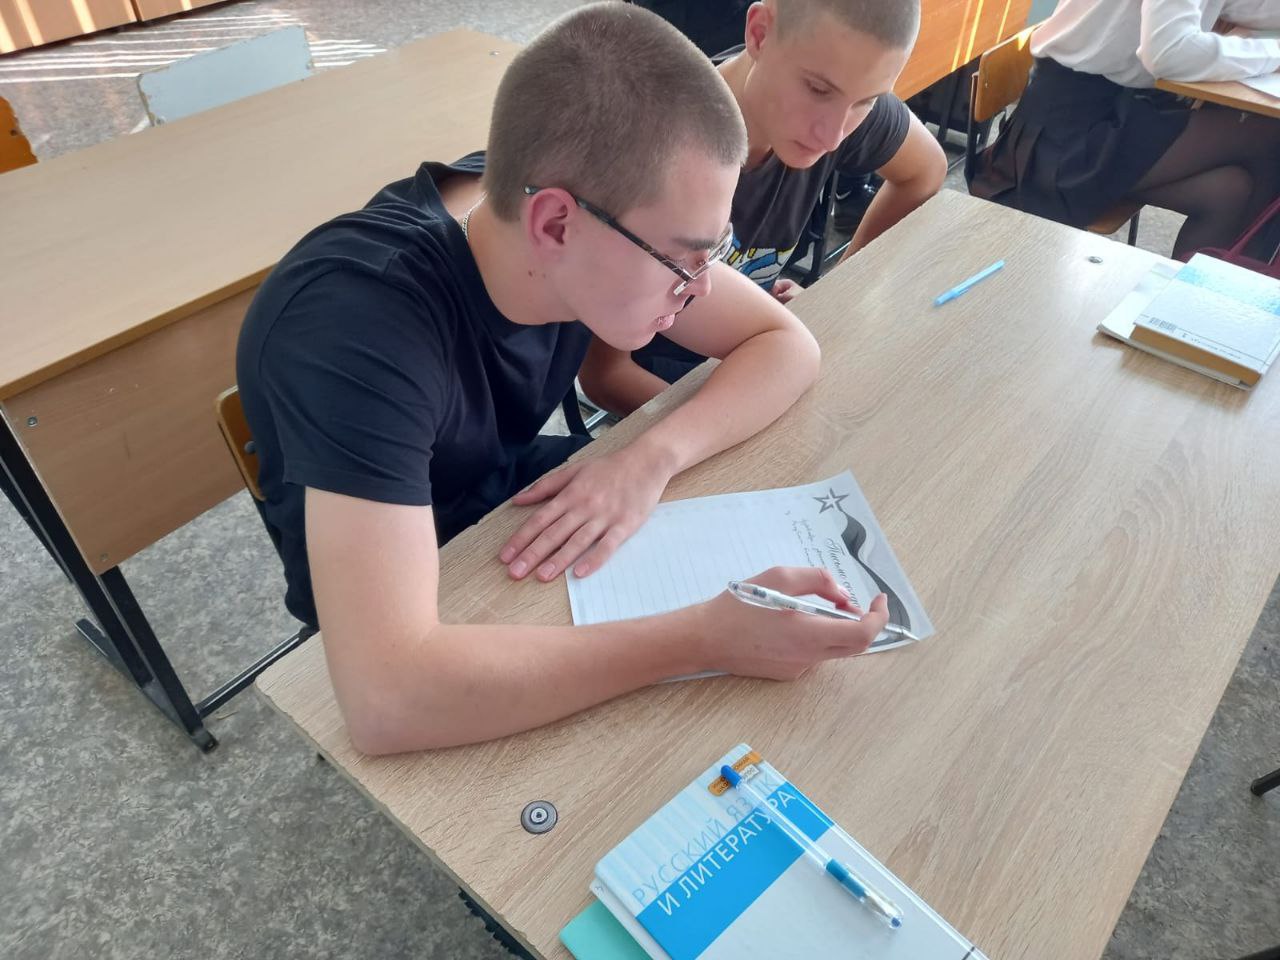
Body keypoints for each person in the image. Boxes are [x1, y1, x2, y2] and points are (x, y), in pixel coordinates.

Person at [236, 2, 889, 754]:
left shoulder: (575, 217)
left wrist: (650, 459)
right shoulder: (358, 328)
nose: (703, 288)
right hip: (399, 585)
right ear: (554, 224)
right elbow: (389, 697)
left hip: (509, 509)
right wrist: (706, 639)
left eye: (710, 254)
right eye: (685, 258)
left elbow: (784, 343)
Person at [577, 0, 944, 413]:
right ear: (759, 33)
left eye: (868, 101)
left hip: (764, 351)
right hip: (671, 380)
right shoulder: (656, 152)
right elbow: (605, 375)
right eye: (817, 90)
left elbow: (925, 172)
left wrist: (833, 292)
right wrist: (720, 427)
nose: (833, 137)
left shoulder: (841, 92)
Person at [969, 0, 1280, 259]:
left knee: (1229, 192)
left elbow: (1235, 5)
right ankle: (1243, 290)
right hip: (1066, 139)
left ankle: (1200, 303)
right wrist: (1273, 54)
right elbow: (1169, 52)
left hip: (1117, 114)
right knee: (1267, 136)